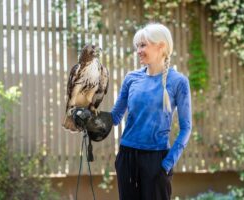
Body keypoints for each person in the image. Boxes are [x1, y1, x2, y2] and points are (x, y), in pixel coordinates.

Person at [73, 23, 192, 200]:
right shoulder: (131, 78)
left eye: (143, 45)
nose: (138, 50)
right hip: (127, 158)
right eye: (137, 46)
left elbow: (186, 128)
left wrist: (167, 163)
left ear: (161, 46)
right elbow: (115, 116)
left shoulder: (178, 82)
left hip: (156, 159)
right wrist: (90, 120)